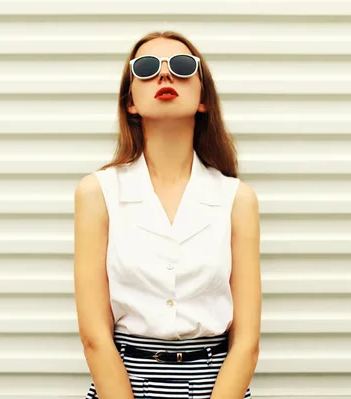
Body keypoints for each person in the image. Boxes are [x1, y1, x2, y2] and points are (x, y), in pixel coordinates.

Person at [74, 31, 261, 399]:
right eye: (145, 69)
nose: (164, 76)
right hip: (122, 385)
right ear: (130, 102)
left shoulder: (237, 199)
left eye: (181, 66)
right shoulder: (98, 193)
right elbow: (95, 336)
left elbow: (247, 341)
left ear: (203, 99)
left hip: (218, 385)